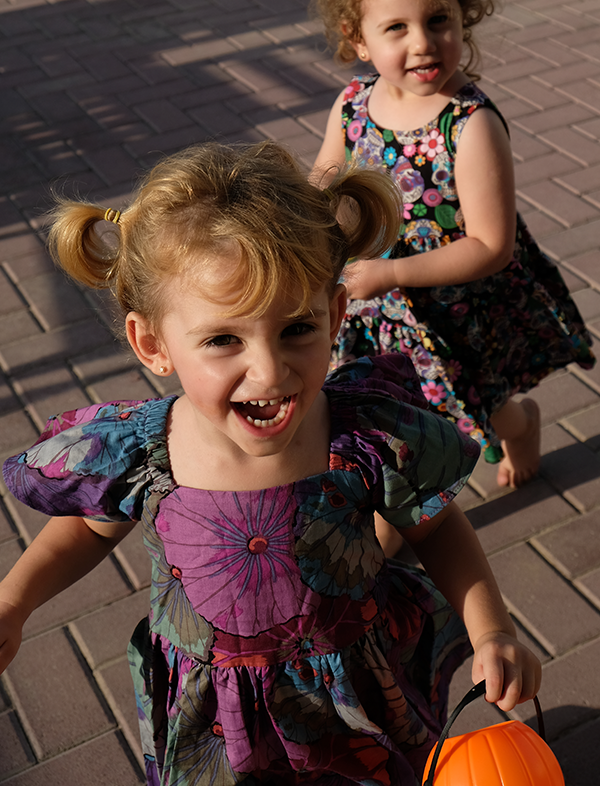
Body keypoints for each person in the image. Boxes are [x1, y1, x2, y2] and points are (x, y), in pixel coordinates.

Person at [0, 141, 540, 786]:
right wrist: (14, 602)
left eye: (296, 329)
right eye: (224, 338)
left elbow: (435, 525)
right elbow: (87, 529)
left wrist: (493, 628)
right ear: (153, 343)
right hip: (219, 716)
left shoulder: (361, 437)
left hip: (358, 695)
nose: (270, 371)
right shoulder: (144, 452)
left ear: (336, 316)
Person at [312, 0, 595, 500]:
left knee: (468, 401)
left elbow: (491, 245)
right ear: (358, 38)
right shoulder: (353, 102)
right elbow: (323, 186)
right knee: (382, 405)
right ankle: (393, 505)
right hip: (377, 302)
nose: (422, 41)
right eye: (396, 27)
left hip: (452, 306)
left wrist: (390, 272)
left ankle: (519, 423)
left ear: (464, 19)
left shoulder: (469, 123)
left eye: (438, 19)